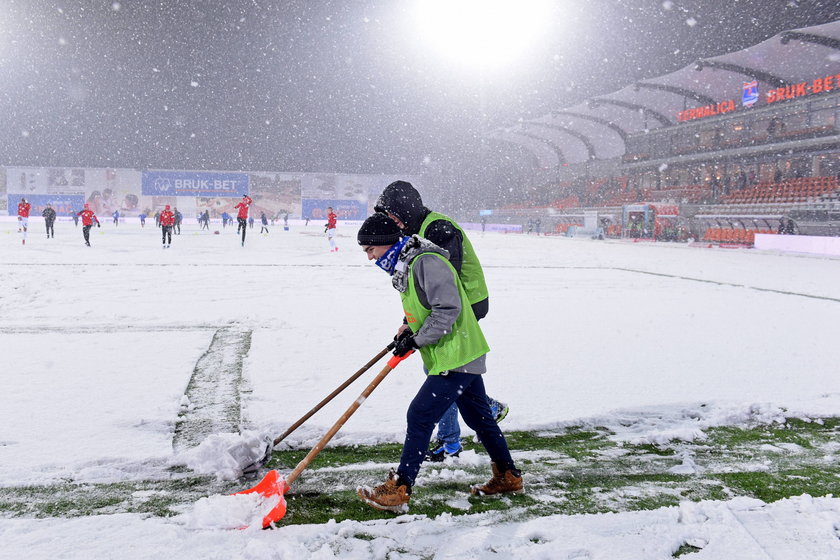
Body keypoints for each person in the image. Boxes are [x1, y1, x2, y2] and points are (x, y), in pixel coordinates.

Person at [355, 214, 523, 512]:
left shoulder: (425, 261)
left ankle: (400, 487)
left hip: (456, 353)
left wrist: (418, 340)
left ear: (385, 242)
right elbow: (427, 306)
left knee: (419, 414)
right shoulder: (407, 263)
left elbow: (448, 310)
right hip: (454, 351)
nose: (369, 257)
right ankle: (508, 476)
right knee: (479, 418)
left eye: (370, 249)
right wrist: (408, 328)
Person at [374, 180, 508, 462]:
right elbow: (420, 288)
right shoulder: (416, 231)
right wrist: (409, 321)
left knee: (442, 370)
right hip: (448, 304)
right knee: (446, 371)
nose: (394, 223)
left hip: (467, 302)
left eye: (394, 216)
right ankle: (481, 411)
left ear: (406, 210)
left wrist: (421, 326)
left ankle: (452, 440)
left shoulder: (438, 228)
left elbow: (444, 283)